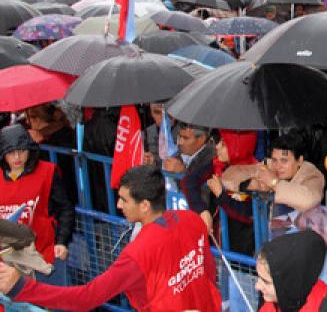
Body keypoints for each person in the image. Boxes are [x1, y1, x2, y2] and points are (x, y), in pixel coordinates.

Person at [0, 165, 222, 311]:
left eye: (124, 200)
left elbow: (87, 297)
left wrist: (21, 287)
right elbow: (208, 273)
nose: (118, 205)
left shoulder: (136, 255)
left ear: (144, 205)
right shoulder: (192, 220)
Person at [0, 125, 74, 270]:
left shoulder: (47, 172)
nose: (17, 157)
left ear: (30, 149)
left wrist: (62, 241)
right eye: (11, 152)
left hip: (41, 254)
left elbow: (65, 208)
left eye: (21, 151)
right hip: (5, 260)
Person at [182, 129, 257, 255]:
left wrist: (221, 195)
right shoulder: (218, 165)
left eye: (224, 144)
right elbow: (189, 181)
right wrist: (202, 211)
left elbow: (248, 214)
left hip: (242, 250)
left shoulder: (254, 174)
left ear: (237, 147)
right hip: (218, 242)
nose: (217, 147)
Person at [256, 230, 327, 311]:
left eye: (266, 281)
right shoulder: (272, 301)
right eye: (259, 277)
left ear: (290, 282)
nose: (257, 286)